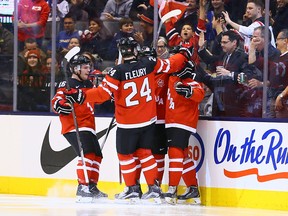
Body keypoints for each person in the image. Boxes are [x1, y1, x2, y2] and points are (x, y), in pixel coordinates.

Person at [64, 37, 192, 204]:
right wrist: (183, 54)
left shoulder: (117, 72)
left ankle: (132, 189)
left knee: (125, 155)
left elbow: (102, 95)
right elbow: (170, 64)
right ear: (135, 49)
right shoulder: (149, 63)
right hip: (148, 121)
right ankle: (154, 189)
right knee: (146, 153)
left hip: (128, 123)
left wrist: (81, 95)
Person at [51, 54, 108, 202]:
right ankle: (82, 187)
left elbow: (100, 96)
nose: (88, 70)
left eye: (89, 67)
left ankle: (92, 186)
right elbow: (56, 101)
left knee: (97, 155)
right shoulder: (67, 84)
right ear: (75, 69)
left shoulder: (89, 84)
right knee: (87, 153)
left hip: (88, 125)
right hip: (73, 126)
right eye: (85, 67)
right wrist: (63, 105)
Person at [162, 49, 205, 205]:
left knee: (175, 154)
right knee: (184, 155)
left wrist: (188, 92)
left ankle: (172, 189)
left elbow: (199, 94)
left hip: (182, 122)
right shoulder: (172, 78)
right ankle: (193, 189)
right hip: (173, 122)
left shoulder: (191, 81)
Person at [198, 30, 248, 117]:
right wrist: (202, 48)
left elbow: (246, 78)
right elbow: (210, 60)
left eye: (225, 42)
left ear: (234, 42)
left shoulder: (243, 57)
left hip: (234, 100)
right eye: (221, 42)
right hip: (219, 98)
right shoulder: (223, 55)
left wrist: (229, 73)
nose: (222, 45)